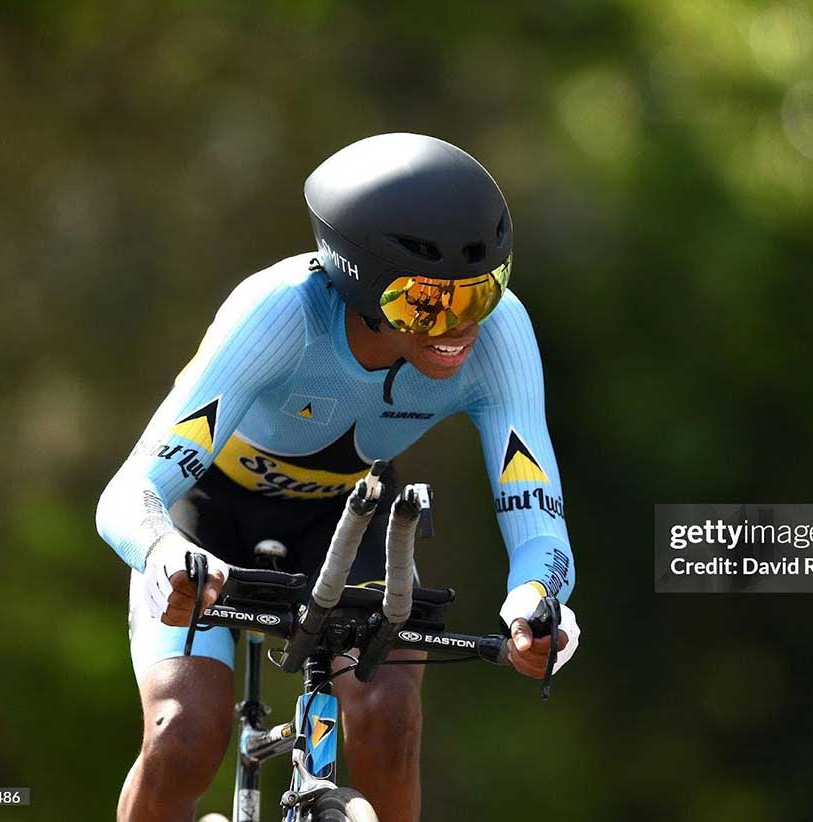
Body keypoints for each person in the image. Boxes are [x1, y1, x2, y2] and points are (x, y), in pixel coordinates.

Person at [95, 133, 581, 822]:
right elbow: (130, 491)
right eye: (426, 304)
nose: (461, 328)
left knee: (388, 716)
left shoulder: (501, 336)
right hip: (210, 521)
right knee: (185, 733)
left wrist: (537, 600)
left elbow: (536, 513)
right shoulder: (279, 314)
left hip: (352, 517)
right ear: (356, 280)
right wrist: (163, 553)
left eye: (482, 293)